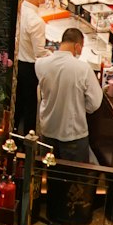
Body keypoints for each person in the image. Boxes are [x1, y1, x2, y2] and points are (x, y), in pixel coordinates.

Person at [36, 26, 104, 162]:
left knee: (50, 175)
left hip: (48, 129)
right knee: (74, 176)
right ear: (77, 46)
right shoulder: (83, 69)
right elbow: (95, 103)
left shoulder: (40, 64)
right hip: (73, 134)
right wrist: (80, 106)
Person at [15, 0, 53, 134]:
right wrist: (53, 54)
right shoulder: (37, 22)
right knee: (30, 107)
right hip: (30, 68)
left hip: (18, 62)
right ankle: (27, 142)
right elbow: (39, 52)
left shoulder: (21, 8)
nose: (46, 0)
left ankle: (15, 135)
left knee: (18, 105)